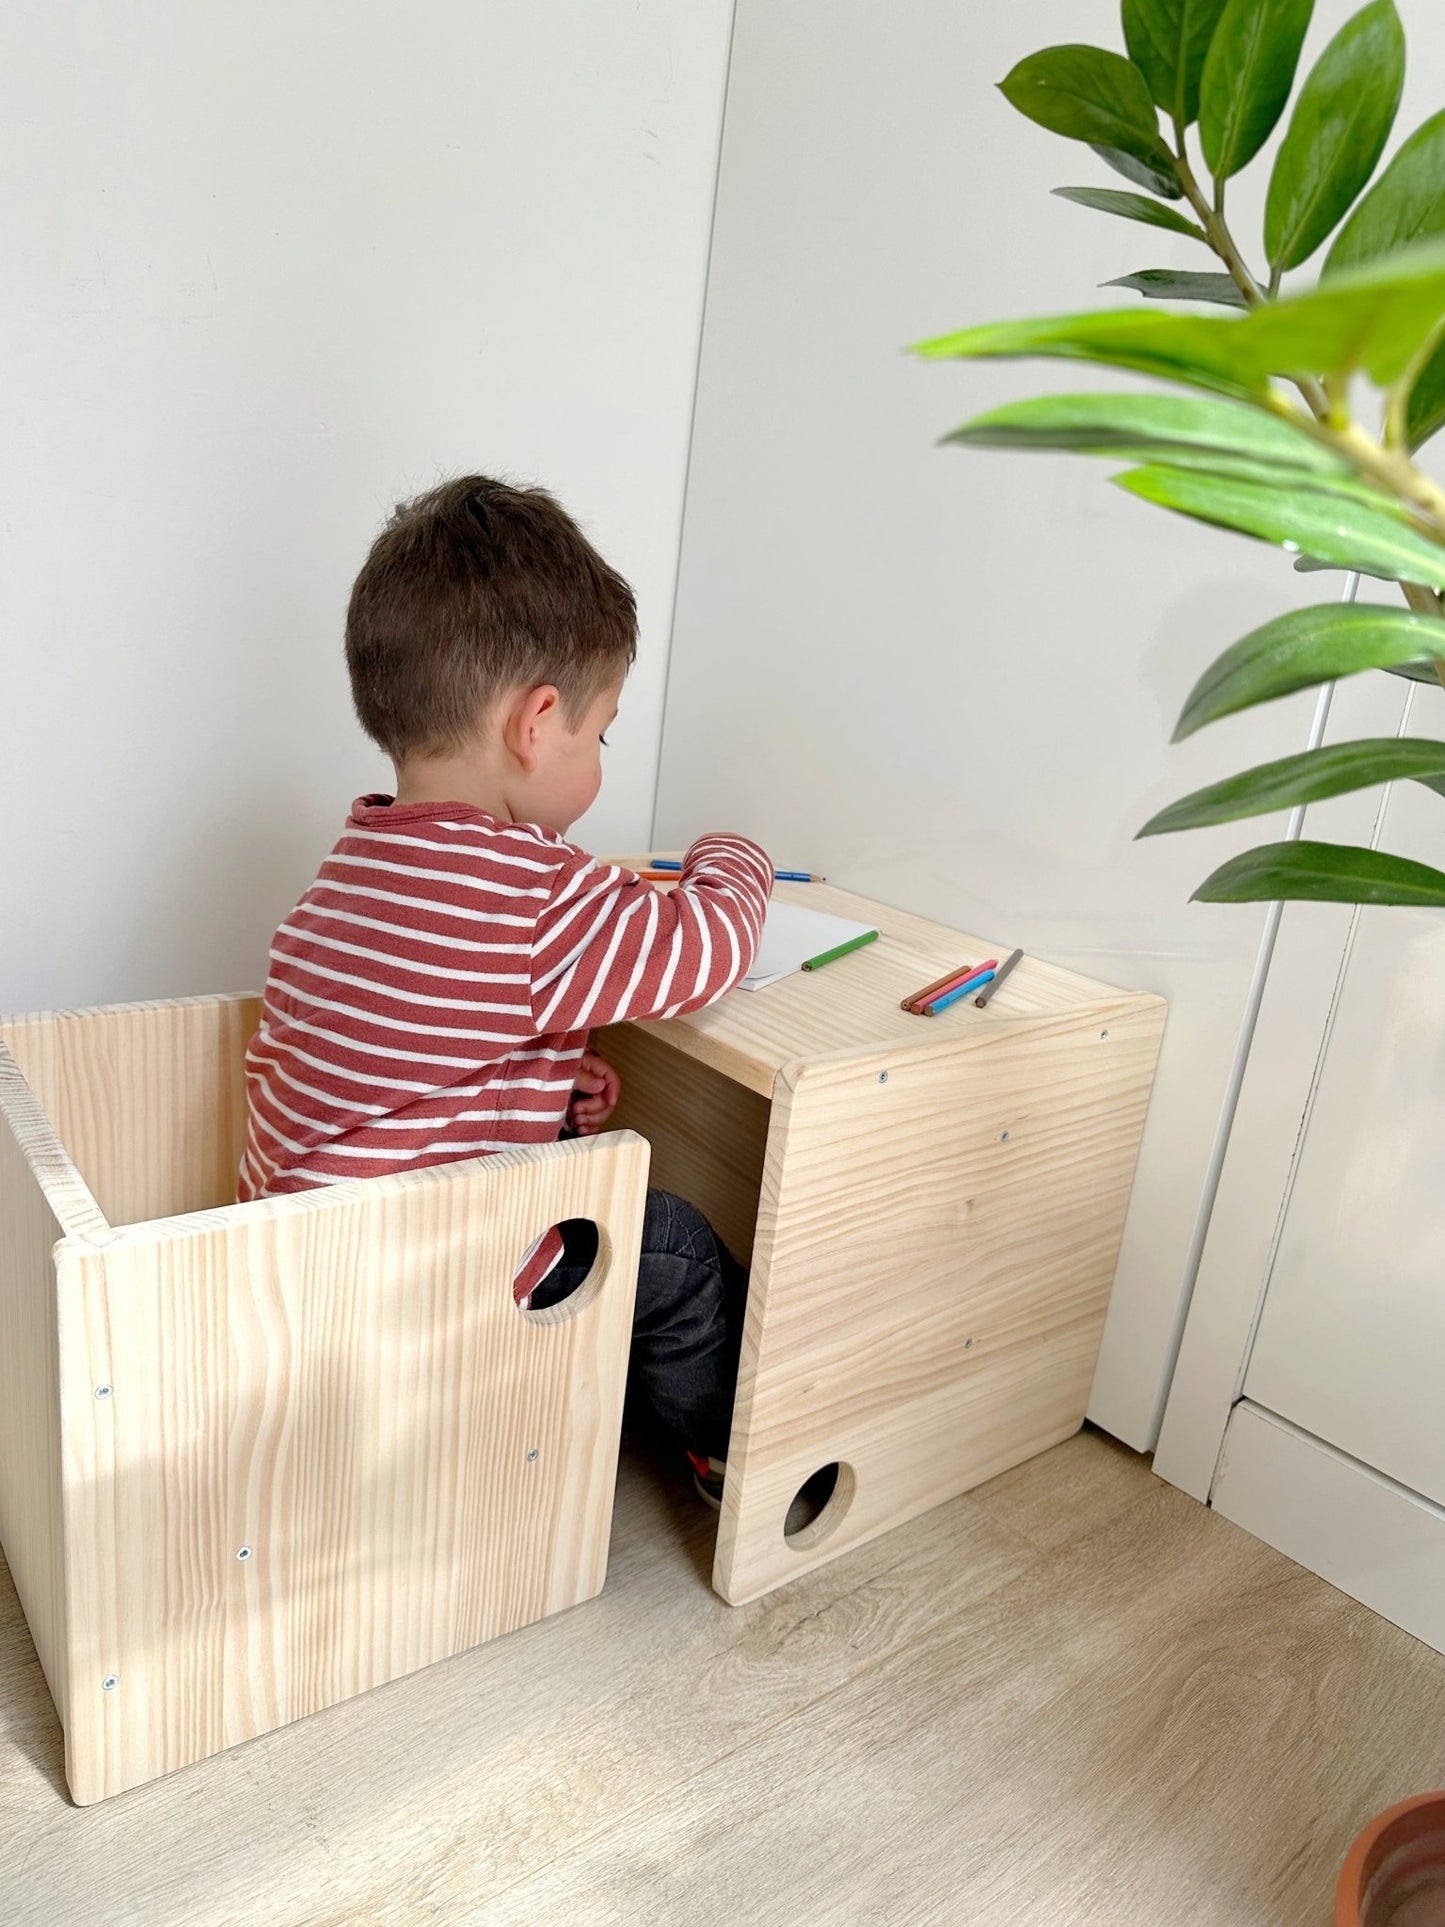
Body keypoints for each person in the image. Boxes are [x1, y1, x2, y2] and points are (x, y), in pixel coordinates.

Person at [238, 475, 772, 1505]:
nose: (599, 758)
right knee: (674, 1247)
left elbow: (408, 1070)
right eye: (599, 733)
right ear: (536, 723)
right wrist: (731, 853)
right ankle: (727, 1453)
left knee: (591, 1180)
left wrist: (544, 1089)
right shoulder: (530, 888)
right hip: (419, 1292)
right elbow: (707, 945)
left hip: (305, 1269)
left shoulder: (350, 866)